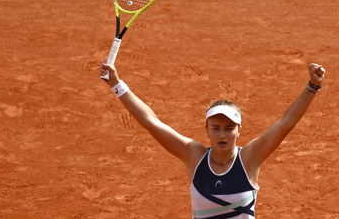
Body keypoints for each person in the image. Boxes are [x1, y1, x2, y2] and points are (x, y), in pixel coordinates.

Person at [100, 62, 325, 218]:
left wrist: (312, 86)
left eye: (229, 128)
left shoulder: (249, 158)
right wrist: (118, 86)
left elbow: (286, 122)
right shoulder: (193, 155)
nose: (222, 134)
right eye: (216, 128)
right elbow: (152, 122)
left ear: (239, 130)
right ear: (206, 130)